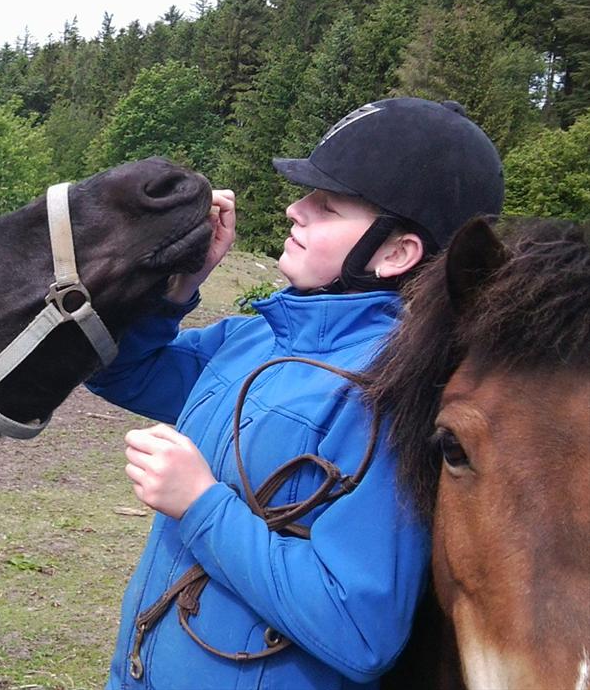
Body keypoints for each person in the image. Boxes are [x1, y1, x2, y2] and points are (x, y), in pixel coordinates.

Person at [87, 97, 504, 690]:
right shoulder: (257, 337)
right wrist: (179, 285)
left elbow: (360, 632)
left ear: (394, 253)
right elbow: (120, 369)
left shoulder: (391, 388)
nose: (294, 209)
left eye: (325, 205)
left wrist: (200, 502)